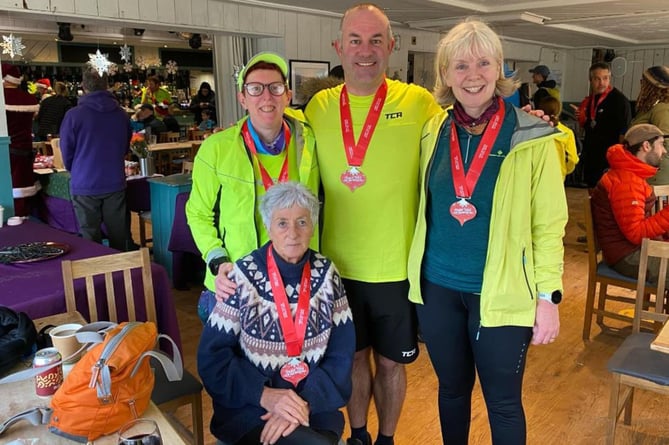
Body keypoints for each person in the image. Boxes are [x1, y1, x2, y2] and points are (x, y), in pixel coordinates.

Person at [406, 19, 568, 445]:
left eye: (483, 63)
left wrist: (548, 297)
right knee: (451, 390)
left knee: (503, 402)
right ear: (445, 74)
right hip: (437, 288)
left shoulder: (533, 136)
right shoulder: (433, 130)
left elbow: (549, 225)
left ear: (499, 68)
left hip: (503, 292)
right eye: (460, 66)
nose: (472, 75)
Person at [304, 5, 443, 445]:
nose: (365, 51)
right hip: (336, 269)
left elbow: (466, 132)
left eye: (376, 40)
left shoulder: (418, 103)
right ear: (339, 47)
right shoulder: (318, 107)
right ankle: (359, 436)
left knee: (390, 362)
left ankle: (386, 438)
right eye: (356, 40)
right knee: (351, 358)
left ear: (391, 46)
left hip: (395, 267)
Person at [198, 181, 355, 445]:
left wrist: (302, 404)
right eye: (282, 223)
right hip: (251, 410)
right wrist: (266, 396)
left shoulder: (328, 275)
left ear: (313, 226)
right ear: (268, 227)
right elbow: (212, 359)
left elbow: (341, 356)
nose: (293, 233)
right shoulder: (242, 276)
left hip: (313, 409)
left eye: (302, 222)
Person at [186, 51, 319, 321]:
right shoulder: (216, 149)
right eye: (255, 89)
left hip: (297, 278)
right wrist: (217, 260)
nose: (267, 97)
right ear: (242, 99)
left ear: (287, 96)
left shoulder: (311, 142)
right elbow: (198, 213)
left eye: (275, 88)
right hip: (236, 280)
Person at [59, 65, 133, 251]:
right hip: (114, 179)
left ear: (83, 86)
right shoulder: (121, 115)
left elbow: (66, 151)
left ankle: (96, 269)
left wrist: (76, 168)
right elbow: (125, 147)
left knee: (90, 237)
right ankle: (121, 268)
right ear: (107, 85)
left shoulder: (73, 115)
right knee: (119, 235)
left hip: (84, 181)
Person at [591, 123, 669, 284]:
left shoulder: (630, 173)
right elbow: (636, 233)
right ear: (646, 146)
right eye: (661, 144)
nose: (664, 151)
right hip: (627, 256)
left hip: (632, 249)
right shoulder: (626, 182)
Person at [574, 62, 631, 188]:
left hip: (609, 158)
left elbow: (624, 132)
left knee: (606, 193)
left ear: (610, 78)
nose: (602, 83)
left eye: (605, 78)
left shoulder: (619, 101)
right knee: (591, 190)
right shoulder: (590, 100)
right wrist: (583, 119)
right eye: (597, 79)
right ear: (590, 80)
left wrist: (620, 160)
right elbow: (591, 125)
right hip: (592, 156)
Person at [2, 63, 40, 217]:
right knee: (22, 183)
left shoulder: (2, 99)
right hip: (25, 149)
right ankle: (23, 215)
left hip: (5, 150)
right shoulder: (29, 99)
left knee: (6, 184)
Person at [631, 65, 669, 185]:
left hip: (655, 175)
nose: (641, 84)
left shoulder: (661, 109)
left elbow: (666, 142)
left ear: (652, 86)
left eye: (644, 81)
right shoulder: (649, 107)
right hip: (645, 170)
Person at [536, 96, 580, 180]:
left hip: (538, 174)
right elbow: (573, 159)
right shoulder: (567, 133)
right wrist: (565, 170)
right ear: (559, 111)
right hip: (558, 175)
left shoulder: (535, 131)